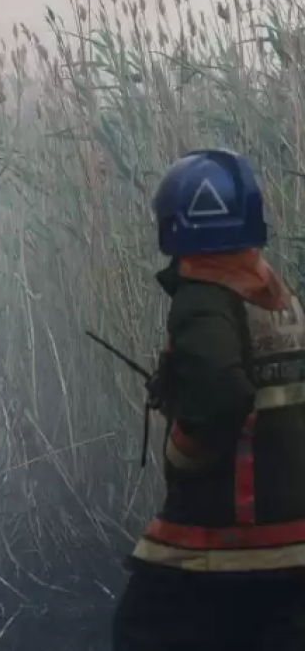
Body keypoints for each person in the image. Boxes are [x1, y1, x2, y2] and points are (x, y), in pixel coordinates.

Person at [112, 149, 305, 650]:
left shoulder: (202, 297)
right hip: (292, 545)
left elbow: (222, 397)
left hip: (227, 543)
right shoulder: (276, 294)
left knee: (141, 631)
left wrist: (183, 444)